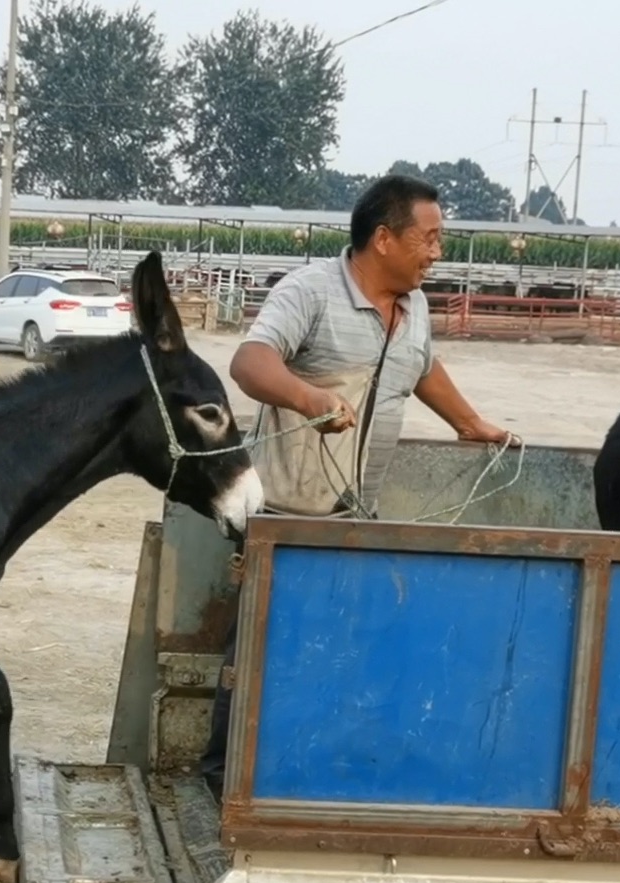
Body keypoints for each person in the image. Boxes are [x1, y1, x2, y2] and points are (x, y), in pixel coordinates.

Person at [196, 174, 518, 801]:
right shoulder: (310, 291)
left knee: (345, 651)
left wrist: (470, 423)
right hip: (290, 512)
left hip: (359, 512)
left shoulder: (415, 306)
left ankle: (304, 774)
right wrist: (310, 395)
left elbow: (421, 365)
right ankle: (223, 781)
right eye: (428, 238)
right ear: (383, 239)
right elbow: (249, 362)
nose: (436, 251)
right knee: (263, 654)